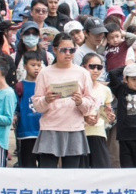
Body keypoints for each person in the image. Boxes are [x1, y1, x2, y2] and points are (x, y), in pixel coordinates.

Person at [30, 32, 97, 169]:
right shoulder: (45, 73)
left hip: (74, 128)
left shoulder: (82, 73)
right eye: (63, 50)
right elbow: (37, 105)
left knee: (71, 176)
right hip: (50, 127)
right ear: (54, 50)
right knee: (47, 174)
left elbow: (90, 104)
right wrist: (46, 100)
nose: (68, 54)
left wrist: (80, 101)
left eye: (71, 50)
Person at [80, 53, 115, 168]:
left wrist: (110, 117)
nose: (96, 70)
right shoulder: (77, 87)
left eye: (99, 67)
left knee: (102, 169)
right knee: (81, 171)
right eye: (92, 66)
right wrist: (85, 117)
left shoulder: (105, 90)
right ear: (84, 67)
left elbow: (108, 111)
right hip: (80, 133)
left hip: (98, 133)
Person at [14, 53, 45, 168]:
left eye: (39, 65)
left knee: (45, 167)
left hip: (43, 132)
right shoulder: (20, 86)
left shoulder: (45, 85)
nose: (36, 68)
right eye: (33, 65)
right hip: (26, 132)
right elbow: (16, 107)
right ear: (25, 66)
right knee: (27, 167)